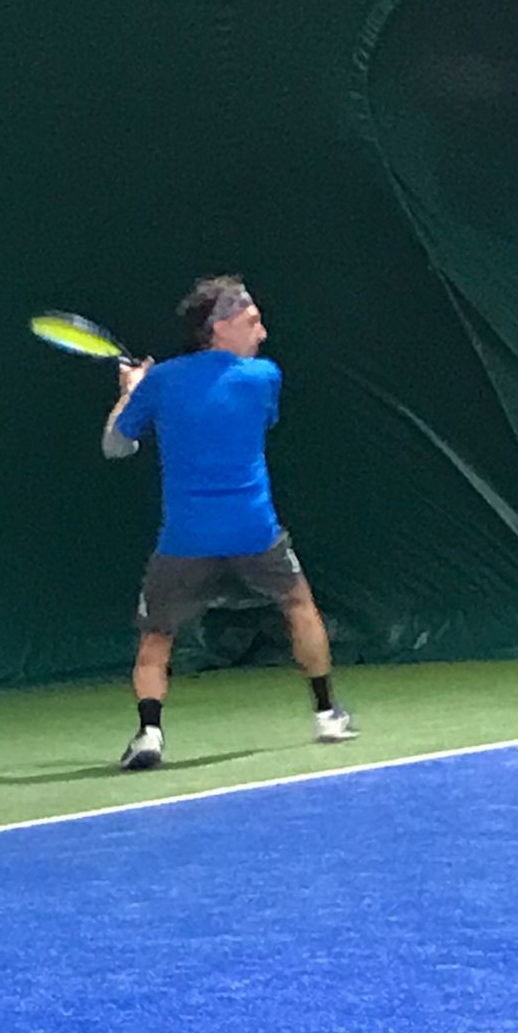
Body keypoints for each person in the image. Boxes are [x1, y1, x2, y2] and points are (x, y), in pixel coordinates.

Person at [103, 275, 355, 770]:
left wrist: (132, 392)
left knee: (156, 637)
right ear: (219, 328)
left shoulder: (162, 381)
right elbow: (252, 419)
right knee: (299, 605)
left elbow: (116, 445)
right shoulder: (264, 377)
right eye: (252, 322)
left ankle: (149, 733)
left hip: (186, 540)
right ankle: (327, 715)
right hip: (254, 532)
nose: (262, 333)